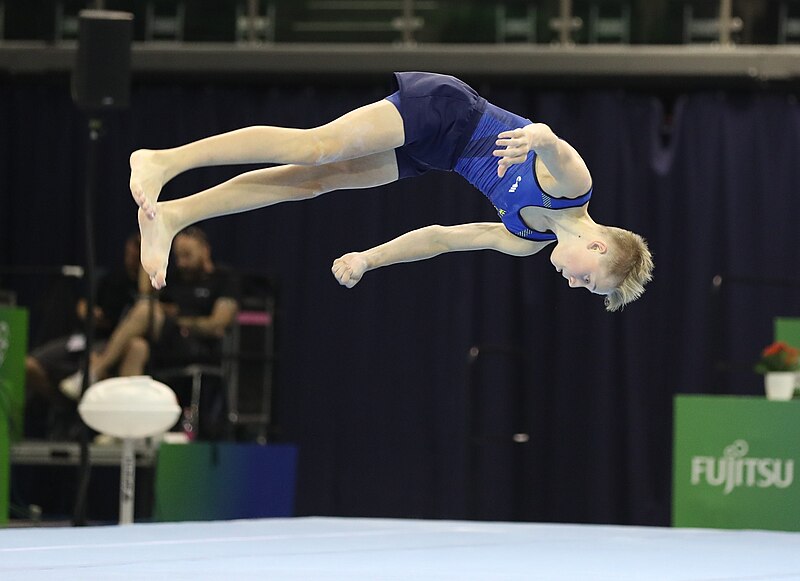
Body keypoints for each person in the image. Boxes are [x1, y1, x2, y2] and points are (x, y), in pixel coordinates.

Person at [130, 72, 653, 311]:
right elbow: (553, 142)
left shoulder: (525, 239)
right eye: (590, 282)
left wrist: (368, 259)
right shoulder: (574, 188)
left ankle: (174, 215)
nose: (575, 285)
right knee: (317, 149)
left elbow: (442, 239)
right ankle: (164, 161)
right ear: (599, 247)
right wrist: (532, 138)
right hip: (449, 111)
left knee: (313, 182)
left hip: (438, 154)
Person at [58, 226, 239, 396]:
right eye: (178, 256)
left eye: (187, 255)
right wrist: (151, 248)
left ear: (205, 250)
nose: (182, 262)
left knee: (146, 310)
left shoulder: (223, 278)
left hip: (196, 345)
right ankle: (126, 423)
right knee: (137, 347)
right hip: (164, 344)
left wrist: (175, 318)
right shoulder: (174, 276)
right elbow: (145, 293)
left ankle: (95, 369)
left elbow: (218, 324)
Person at [25, 232, 144, 416]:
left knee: (100, 368)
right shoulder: (110, 279)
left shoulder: (151, 285)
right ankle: (63, 404)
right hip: (83, 339)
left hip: (109, 345)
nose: (133, 256)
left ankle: (88, 391)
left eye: (138, 251)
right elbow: (83, 305)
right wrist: (89, 311)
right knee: (29, 365)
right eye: (131, 250)